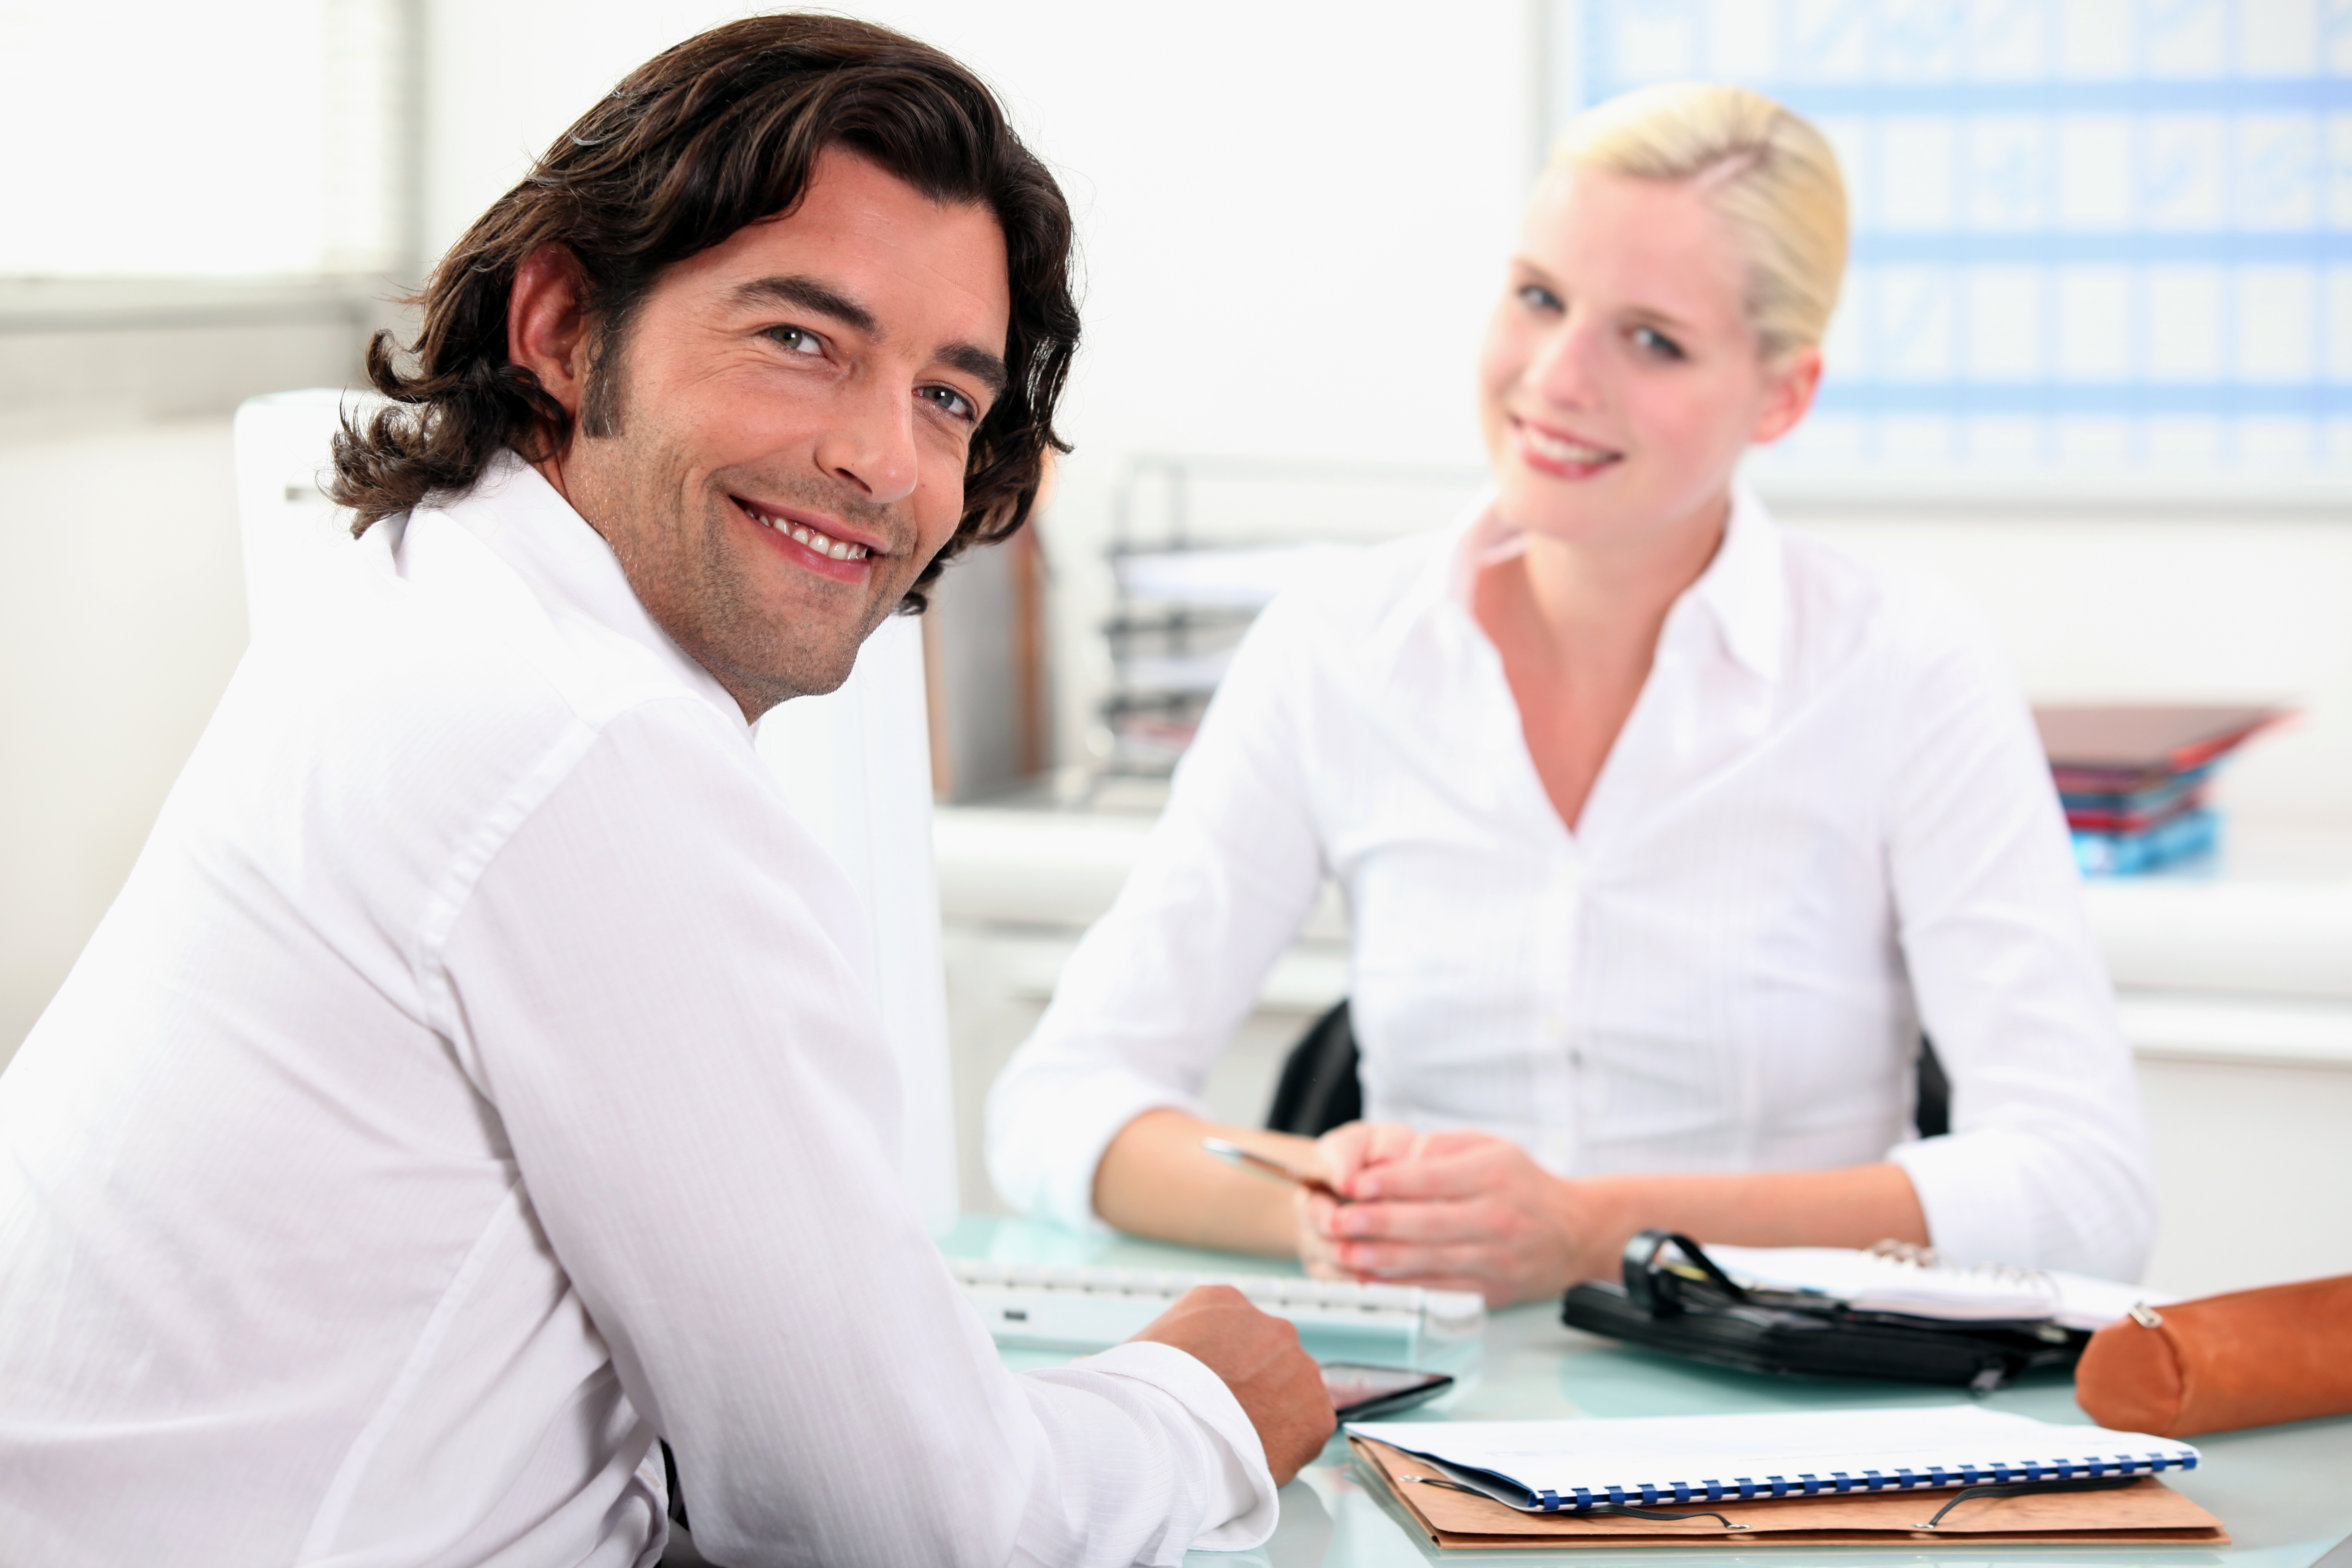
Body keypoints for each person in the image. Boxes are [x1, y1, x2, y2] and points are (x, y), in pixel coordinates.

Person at [0, 18, 1332, 1566]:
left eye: (949, 399)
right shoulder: (581, 740)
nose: (883, 463)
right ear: (564, 325)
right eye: (801, 341)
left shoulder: (436, 604)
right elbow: (912, 1526)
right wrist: (1204, 1404)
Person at [988, 82, 2157, 1306]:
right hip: (1433, 1411)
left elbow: (2088, 1193)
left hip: (1786, 1426)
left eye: (1652, 339)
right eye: (1540, 296)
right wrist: (1338, 1218)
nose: (1557, 377)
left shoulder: (1904, 665)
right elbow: (1055, 1107)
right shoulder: (1338, 647)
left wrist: (1592, 1228)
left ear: (1784, 394)